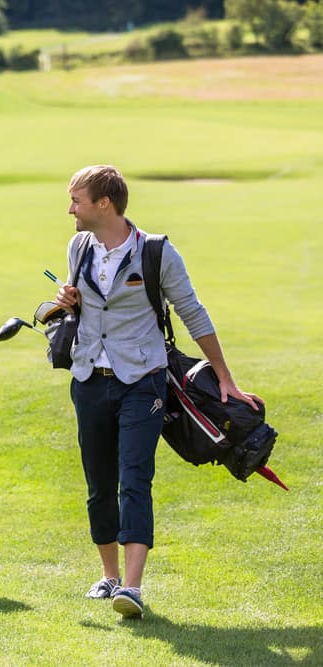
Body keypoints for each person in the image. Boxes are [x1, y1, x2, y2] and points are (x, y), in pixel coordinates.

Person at [55, 165, 262, 619]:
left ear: (103, 204)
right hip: (89, 379)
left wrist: (225, 376)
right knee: (98, 482)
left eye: (76, 200)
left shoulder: (157, 253)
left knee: (135, 478)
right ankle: (108, 577)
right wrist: (67, 300)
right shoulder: (78, 246)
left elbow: (192, 312)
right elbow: (82, 306)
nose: (70, 208)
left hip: (142, 381)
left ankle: (132, 587)